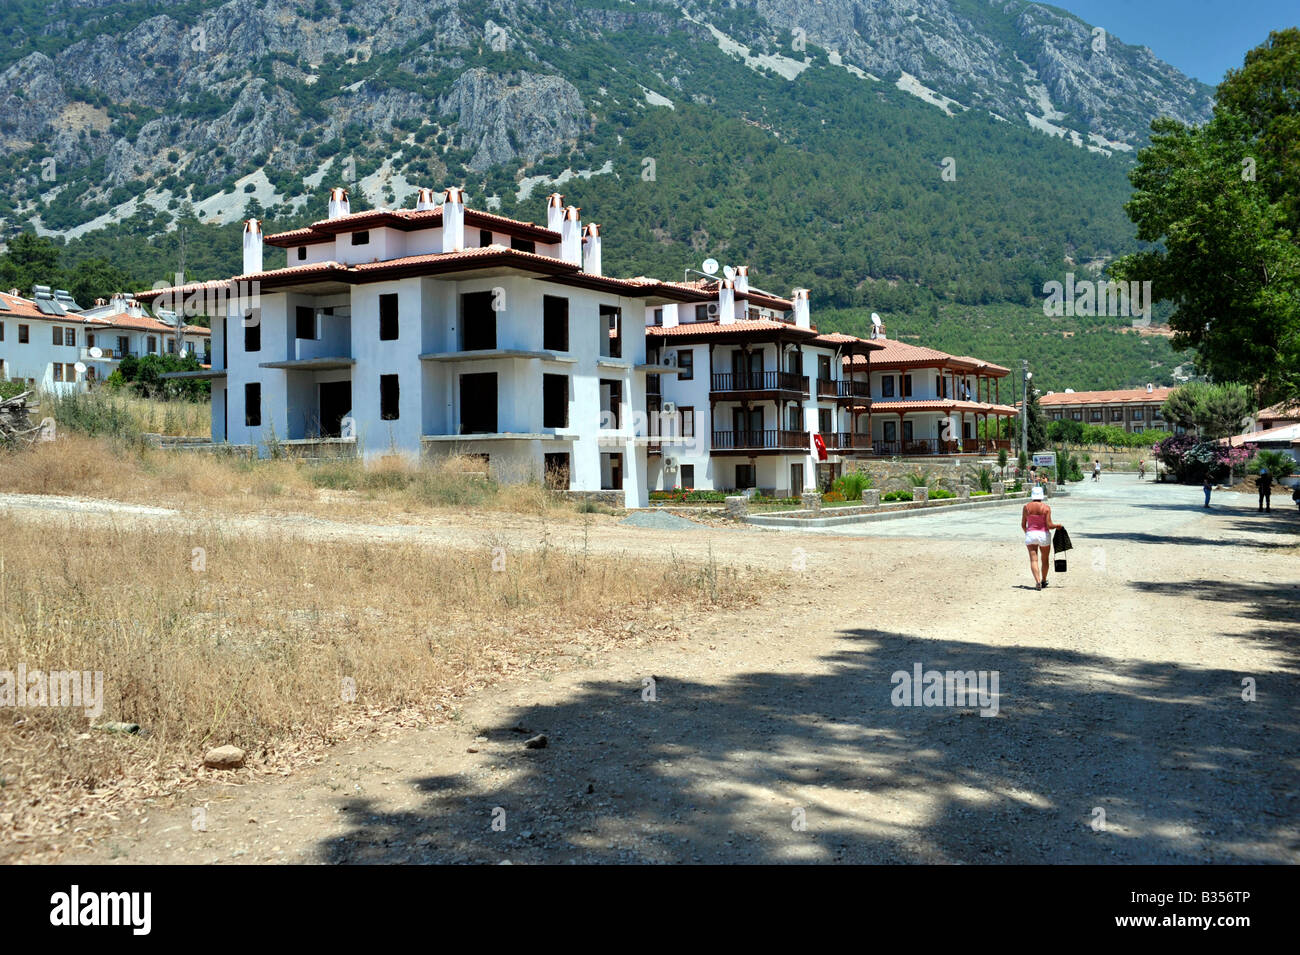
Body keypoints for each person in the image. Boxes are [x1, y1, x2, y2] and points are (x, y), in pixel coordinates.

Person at [1021, 485, 1061, 591]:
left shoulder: (1026, 507)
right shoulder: (1046, 508)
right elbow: (1049, 525)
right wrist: (1057, 526)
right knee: (1045, 559)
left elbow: (1023, 525)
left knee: (1034, 560)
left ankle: (1037, 581)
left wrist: (1028, 533)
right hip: (1044, 535)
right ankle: (1043, 580)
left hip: (1031, 535)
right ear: (1041, 495)